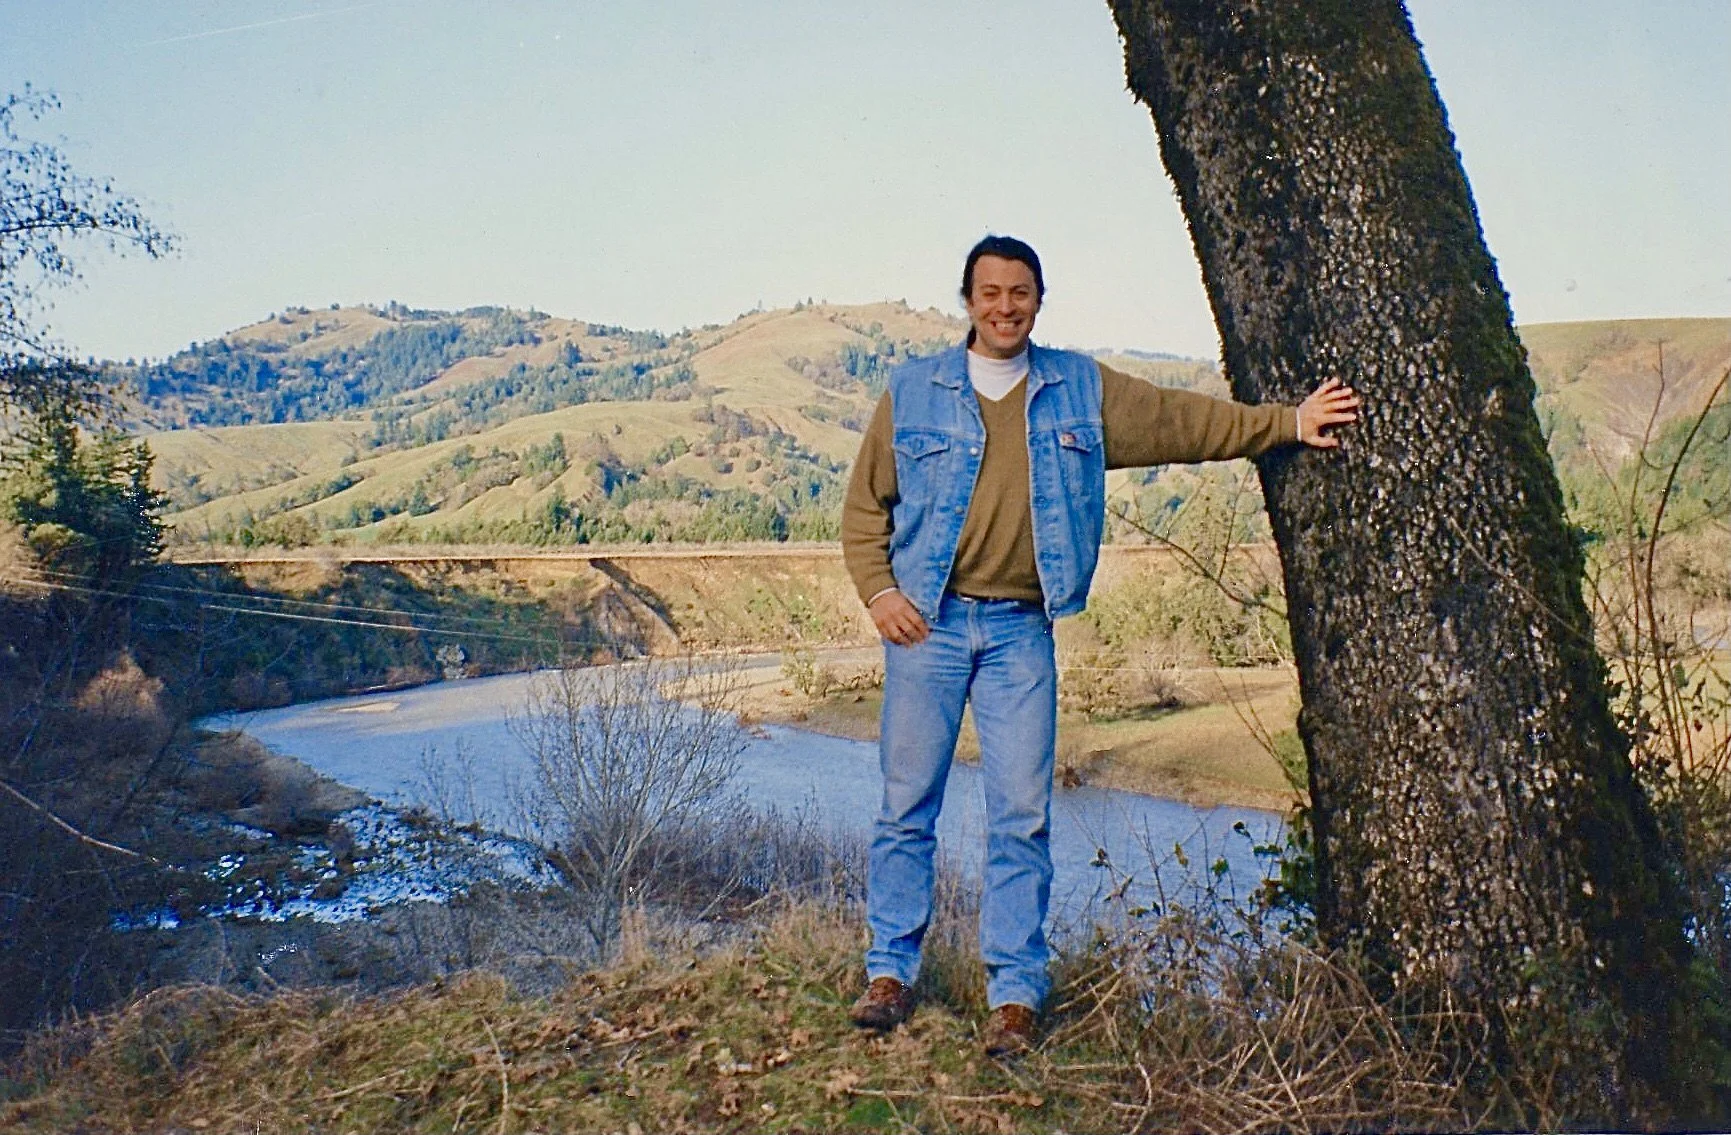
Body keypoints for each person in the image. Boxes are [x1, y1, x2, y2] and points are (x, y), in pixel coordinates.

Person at [839, 234, 1359, 1056]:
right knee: (906, 808)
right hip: (927, 627)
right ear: (966, 300)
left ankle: (1013, 993)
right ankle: (889, 973)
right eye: (989, 292)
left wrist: (1286, 422)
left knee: (1021, 815)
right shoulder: (913, 392)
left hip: (1019, 635)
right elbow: (865, 509)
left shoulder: (1079, 388)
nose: (1004, 306)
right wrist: (879, 592)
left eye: (1019, 292)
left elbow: (1182, 420)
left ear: (1038, 301)